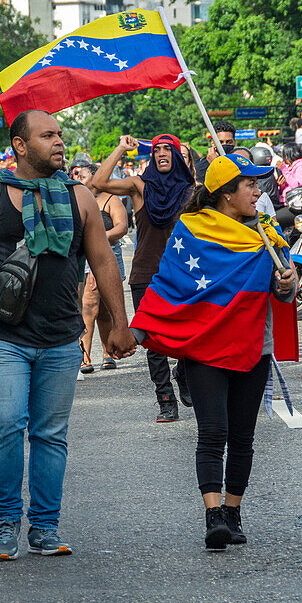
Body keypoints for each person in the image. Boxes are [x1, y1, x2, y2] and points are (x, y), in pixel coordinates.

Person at [0, 109, 136, 560]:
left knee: (50, 433)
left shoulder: (80, 197)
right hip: (4, 335)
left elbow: (103, 262)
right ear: (20, 146)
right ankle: (6, 522)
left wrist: (119, 323)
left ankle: (44, 525)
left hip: (63, 337)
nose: (59, 142)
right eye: (47, 136)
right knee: (5, 423)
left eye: (60, 134)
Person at [130, 153, 296, 550]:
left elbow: (282, 292)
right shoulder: (191, 230)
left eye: (259, 183)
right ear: (226, 194)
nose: (259, 191)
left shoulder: (267, 235)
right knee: (213, 432)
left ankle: (234, 512)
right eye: (250, 185)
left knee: (243, 435)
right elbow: (174, 281)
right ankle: (213, 515)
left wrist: (286, 283)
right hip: (206, 346)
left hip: (255, 346)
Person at [93, 133, 194, 421]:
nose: (162, 153)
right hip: (145, 273)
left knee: (188, 332)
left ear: (177, 155)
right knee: (152, 339)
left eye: (168, 149)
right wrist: (120, 148)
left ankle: (184, 373)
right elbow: (99, 183)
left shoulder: (192, 191)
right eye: (157, 149)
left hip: (182, 274)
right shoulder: (140, 186)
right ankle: (165, 399)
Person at [70, 161, 128, 372]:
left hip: (109, 256)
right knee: (89, 306)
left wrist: (101, 237)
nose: (78, 180)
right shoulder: (77, 201)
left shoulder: (111, 199)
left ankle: (107, 352)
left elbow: (122, 226)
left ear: (95, 178)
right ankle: (85, 355)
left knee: (105, 310)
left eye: (83, 176)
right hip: (85, 259)